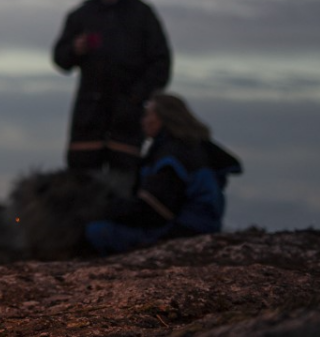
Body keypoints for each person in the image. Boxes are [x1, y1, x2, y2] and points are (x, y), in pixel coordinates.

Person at [52, 0, 172, 185]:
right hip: (88, 120)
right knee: (80, 188)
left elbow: (162, 64)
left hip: (127, 122)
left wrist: (135, 98)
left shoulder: (143, 16)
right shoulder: (82, 15)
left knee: (123, 189)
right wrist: (75, 49)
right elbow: (59, 58)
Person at [85, 92, 242, 255]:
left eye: (147, 114)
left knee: (97, 231)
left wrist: (105, 209)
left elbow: (156, 211)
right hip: (203, 226)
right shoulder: (190, 147)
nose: (143, 121)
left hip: (184, 230)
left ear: (163, 118)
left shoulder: (172, 154)